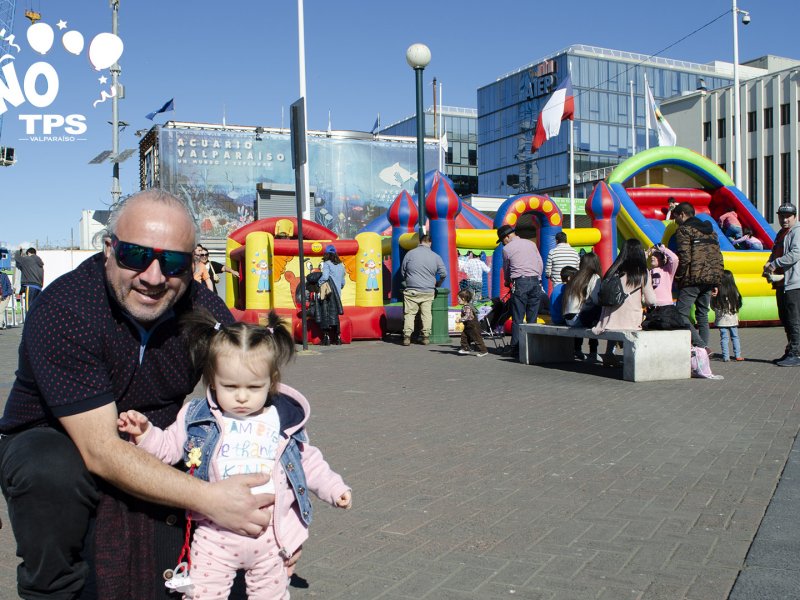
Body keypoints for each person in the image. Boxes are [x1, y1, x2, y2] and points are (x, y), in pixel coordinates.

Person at [0, 190, 279, 600]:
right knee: (50, 470)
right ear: (109, 249)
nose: (152, 277)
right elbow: (99, 450)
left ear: (192, 263)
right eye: (135, 255)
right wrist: (211, 499)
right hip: (59, 433)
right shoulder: (67, 308)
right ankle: (53, 589)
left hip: (157, 432)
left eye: (172, 262)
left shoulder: (201, 310)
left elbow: (254, 376)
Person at [117, 309, 352, 599]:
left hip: (270, 538)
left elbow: (309, 463)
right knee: (203, 594)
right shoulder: (196, 417)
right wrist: (144, 434)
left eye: (254, 387)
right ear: (212, 381)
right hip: (215, 536)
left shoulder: (282, 422)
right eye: (230, 386)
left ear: (272, 382)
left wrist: (335, 489)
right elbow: (167, 448)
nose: (242, 396)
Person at [593, 239, 657, 364]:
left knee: (617, 315)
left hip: (607, 321)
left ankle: (609, 353)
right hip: (631, 320)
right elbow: (651, 300)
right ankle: (630, 359)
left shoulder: (613, 270)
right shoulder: (642, 273)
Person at [672, 202, 724, 349]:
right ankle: (703, 354)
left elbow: (685, 257)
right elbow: (718, 256)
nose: (675, 222)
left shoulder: (684, 230)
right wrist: (716, 282)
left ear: (682, 214)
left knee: (680, 313)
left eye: (676, 217)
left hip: (692, 278)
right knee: (702, 314)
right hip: (711, 277)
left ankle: (701, 346)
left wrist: (678, 277)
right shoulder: (711, 232)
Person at [498, 224, 543, 357]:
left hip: (520, 282)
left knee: (517, 318)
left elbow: (507, 268)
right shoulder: (531, 244)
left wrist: (507, 280)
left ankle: (515, 348)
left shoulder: (507, 249)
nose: (502, 243)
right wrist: (535, 276)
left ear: (507, 237)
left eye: (502, 240)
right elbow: (540, 263)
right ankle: (532, 347)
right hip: (535, 282)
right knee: (532, 318)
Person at [764, 202, 800, 367]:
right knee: (785, 319)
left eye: (788, 216)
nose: (785, 219)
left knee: (794, 319)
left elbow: (795, 254)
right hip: (782, 283)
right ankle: (790, 349)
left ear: (795, 216)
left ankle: (796, 353)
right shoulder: (781, 233)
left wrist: (775, 263)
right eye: (782, 216)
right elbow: (774, 253)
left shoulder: (797, 232)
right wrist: (768, 264)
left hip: (794, 283)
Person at [400, 233, 446, 346]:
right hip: (428, 290)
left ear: (420, 242)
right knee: (426, 314)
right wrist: (438, 283)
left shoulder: (410, 254)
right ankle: (425, 337)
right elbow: (444, 273)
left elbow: (403, 272)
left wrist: (409, 280)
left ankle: (407, 337)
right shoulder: (436, 256)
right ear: (430, 243)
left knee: (410, 314)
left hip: (412, 290)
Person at [562, 252, 602, 362]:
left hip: (568, 319)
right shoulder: (594, 277)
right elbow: (596, 300)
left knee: (585, 309)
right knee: (597, 311)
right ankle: (593, 351)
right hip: (579, 319)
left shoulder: (576, 276)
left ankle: (577, 349)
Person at [316, 244, 346, 345]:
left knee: (326, 314)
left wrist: (319, 283)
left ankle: (326, 338)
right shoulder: (341, 265)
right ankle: (338, 337)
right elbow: (342, 282)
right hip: (337, 294)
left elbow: (325, 277)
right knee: (335, 316)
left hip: (328, 293)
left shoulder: (327, 263)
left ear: (326, 254)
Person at [711, 270, 744, 362]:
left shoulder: (717, 294)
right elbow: (739, 305)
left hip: (721, 321)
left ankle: (726, 357)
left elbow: (713, 307)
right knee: (735, 337)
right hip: (733, 319)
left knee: (724, 338)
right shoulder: (735, 293)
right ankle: (738, 355)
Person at [455, 289, 488, 357]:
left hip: (473, 326)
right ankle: (466, 348)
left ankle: (484, 350)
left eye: (458, 299)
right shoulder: (468, 306)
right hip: (468, 326)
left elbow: (468, 316)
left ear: (463, 299)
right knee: (464, 337)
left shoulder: (467, 307)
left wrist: (460, 319)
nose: (458, 300)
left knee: (477, 338)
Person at [14, 246, 44, 310]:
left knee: (28, 307)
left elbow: (17, 258)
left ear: (29, 253)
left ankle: (28, 319)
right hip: (39, 287)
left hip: (30, 285)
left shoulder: (29, 259)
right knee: (34, 306)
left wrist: (18, 250)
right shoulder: (39, 263)